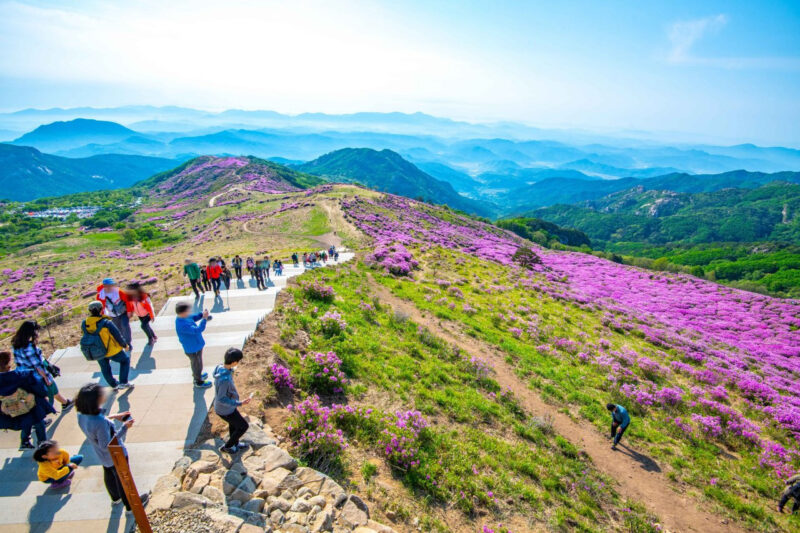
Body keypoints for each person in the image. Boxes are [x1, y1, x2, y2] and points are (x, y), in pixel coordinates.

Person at [75, 382, 148, 512]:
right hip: (116, 454)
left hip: (101, 455)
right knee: (123, 479)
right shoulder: (100, 422)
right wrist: (125, 427)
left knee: (109, 473)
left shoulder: (81, 415)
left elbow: (96, 428)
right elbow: (107, 445)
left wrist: (113, 417)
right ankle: (131, 505)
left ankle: (115, 498)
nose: (104, 395)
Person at [11, 321, 73, 411]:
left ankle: (65, 403)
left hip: (25, 376)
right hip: (37, 375)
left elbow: (19, 362)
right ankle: (43, 417)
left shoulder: (16, 344)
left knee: (40, 395)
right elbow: (37, 365)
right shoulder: (29, 347)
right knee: (51, 389)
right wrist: (46, 377)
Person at [0, 351, 55, 450]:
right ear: (8, 365)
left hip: (11, 409)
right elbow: (39, 388)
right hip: (30, 406)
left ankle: (24, 441)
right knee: (38, 421)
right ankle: (43, 444)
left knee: (25, 421)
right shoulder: (23, 375)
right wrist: (44, 395)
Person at [82, 302, 133, 390]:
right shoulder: (106, 322)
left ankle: (114, 384)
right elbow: (117, 335)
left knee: (105, 367)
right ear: (102, 310)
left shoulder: (85, 323)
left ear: (90, 311)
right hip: (111, 349)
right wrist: (125, 345)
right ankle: (123, 382)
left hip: (96, 349)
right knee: (125, 360)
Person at [213, 348, 251, 454]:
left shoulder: (220, 368)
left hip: (228, 408)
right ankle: (228, 446)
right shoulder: (224, 379)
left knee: (234, 424)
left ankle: (235, 443)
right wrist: (239, 403)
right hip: (225, 410)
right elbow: (221, 398)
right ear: (234, 362)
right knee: (243, 426)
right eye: (238, 361)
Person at [174, 302, 212, 388]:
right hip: (192, 348)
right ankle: (198, 381)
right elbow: (198, 329)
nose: (190, 312)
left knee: (199, 363)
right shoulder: (182, 325)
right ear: (183, 312)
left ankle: (198, 375)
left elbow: (193, 317)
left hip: (196, 345)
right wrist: (204, 319)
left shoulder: (184, 317)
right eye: (188, 310)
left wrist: (202, 314)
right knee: (196, 364)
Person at [96, 278, 133, 349]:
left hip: (123, 313)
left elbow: (128, 301)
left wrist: (129, 311)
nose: (111, 287)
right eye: (109, 285)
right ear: (104, 286)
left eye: (112, 285)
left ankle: (128, 343)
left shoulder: (119, 292)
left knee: (125, 326)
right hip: (112, 315)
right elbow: (101, 307)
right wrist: (101, 316)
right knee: (118, 329)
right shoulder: (100, 295)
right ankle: (123, 343)